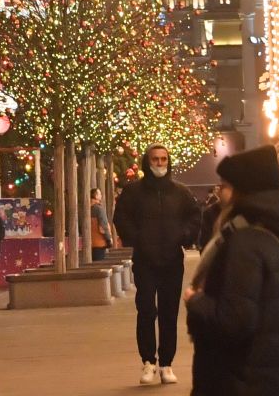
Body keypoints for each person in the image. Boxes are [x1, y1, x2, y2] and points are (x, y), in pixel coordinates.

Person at [184, 146, 279, 396]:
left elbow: (235, 321)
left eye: (225, 185)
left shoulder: (246, 243)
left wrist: (195, 301)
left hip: (236, 380)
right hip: (264, 375)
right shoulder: (273, 234)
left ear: (244, 191)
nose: (219, 192)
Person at [113, 144, 202, 386]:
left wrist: (185, 236)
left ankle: (166, 364)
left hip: (172, 260)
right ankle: (148, 362)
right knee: (146, 310)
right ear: (147, 161)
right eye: (155, 159)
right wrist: (137, 238)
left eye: (163, 159)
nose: (160, 164)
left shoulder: (180, 192)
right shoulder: (134, 192)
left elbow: (195, 216)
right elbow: (121, 217)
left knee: (168, 312)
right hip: (145, 260)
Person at [90, 187, 114, 260]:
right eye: (100, 194)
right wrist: (109, 239)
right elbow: (103, 226)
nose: (101, 195)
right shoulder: (99, 209)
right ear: (96, 196)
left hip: (90, 243)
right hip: (100, 242)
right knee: (99, 265)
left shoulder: (87, 208)